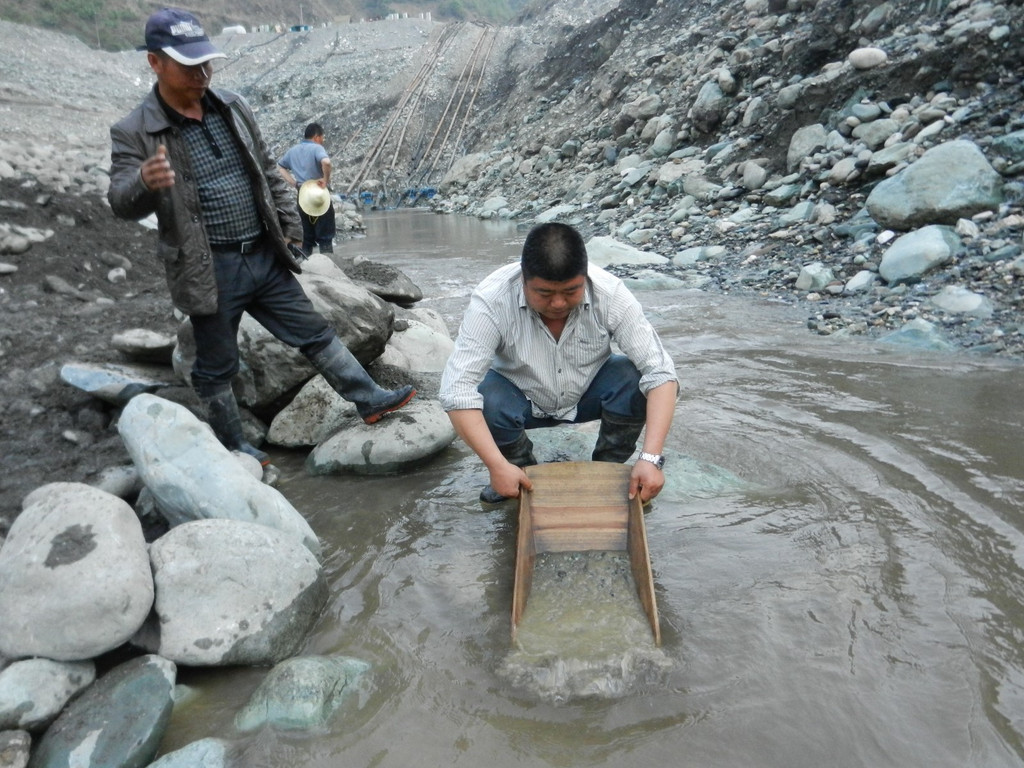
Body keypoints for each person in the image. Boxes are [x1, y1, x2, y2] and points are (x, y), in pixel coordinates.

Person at [107, 8, 415, 467]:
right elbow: (120, 201)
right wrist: (144, 183)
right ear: (155, 63)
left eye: (205, 63)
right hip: (207, 266)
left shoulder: (231, 106)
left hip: (263, 253)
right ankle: (236, 447)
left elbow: (268, 170)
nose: (202, 73)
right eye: (189, 65)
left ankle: (369, 399)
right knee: (216, 364)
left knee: (313, 332)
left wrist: (289, 229)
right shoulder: (134, 131)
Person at [439, 222, 678, 504]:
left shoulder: (611, 295)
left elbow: (661, 373)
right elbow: (456, 391)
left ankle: (609, 469)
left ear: (585, 277)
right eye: (544, 293)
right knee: (485, 395)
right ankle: (518, 471)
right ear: (523, 279)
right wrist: (496, 466)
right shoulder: (492, 301)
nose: (558, 304)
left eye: (570, 292)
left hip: (586, 393)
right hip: (520, 399)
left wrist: (650, 459)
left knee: (632, 377)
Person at [277, 123, 337, 255]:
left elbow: (280, 167)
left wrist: (293, 182)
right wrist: (325, 180)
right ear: (316, 137)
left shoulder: (293, 150)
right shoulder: (316, 148)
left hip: (302, 195)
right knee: (325, 236)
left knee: (306, 236)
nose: (322, 141)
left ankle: (306, 265)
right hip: (319, 195)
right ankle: (328, 265)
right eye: (322, 138)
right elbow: (326, 162)